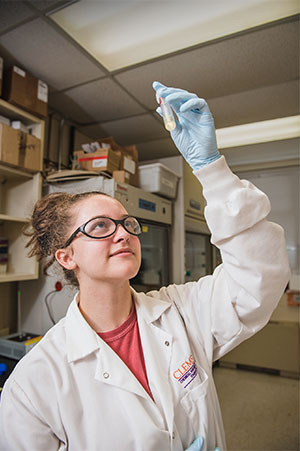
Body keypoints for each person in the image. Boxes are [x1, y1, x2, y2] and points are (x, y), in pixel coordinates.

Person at [0, 82, 290, 451]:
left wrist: (211, 170)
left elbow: (260, 277)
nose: (122, 233)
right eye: (100, 226)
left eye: (127, 224)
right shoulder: (35, 381)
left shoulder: (181, 312)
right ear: (66, 257)